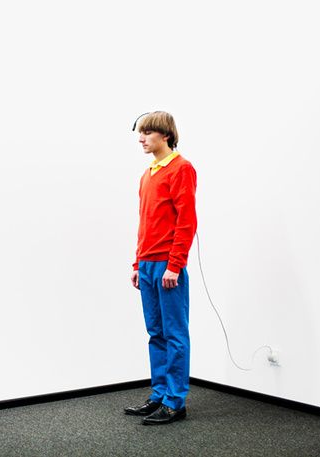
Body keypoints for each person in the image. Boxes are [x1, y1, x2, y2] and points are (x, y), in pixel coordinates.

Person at [124, 111, 197, 425]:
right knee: (156, 333)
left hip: (168, 267)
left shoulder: (181, 169)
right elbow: (146, 223)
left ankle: (175, 402)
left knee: (175, 334)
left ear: (165, 135)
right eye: (139, 133)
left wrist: (175, 265)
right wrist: (137, 263)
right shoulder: (148, 174)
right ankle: (159, 394)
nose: (141, 139)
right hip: (148, 265)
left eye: (147, 133)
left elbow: (186, 221)